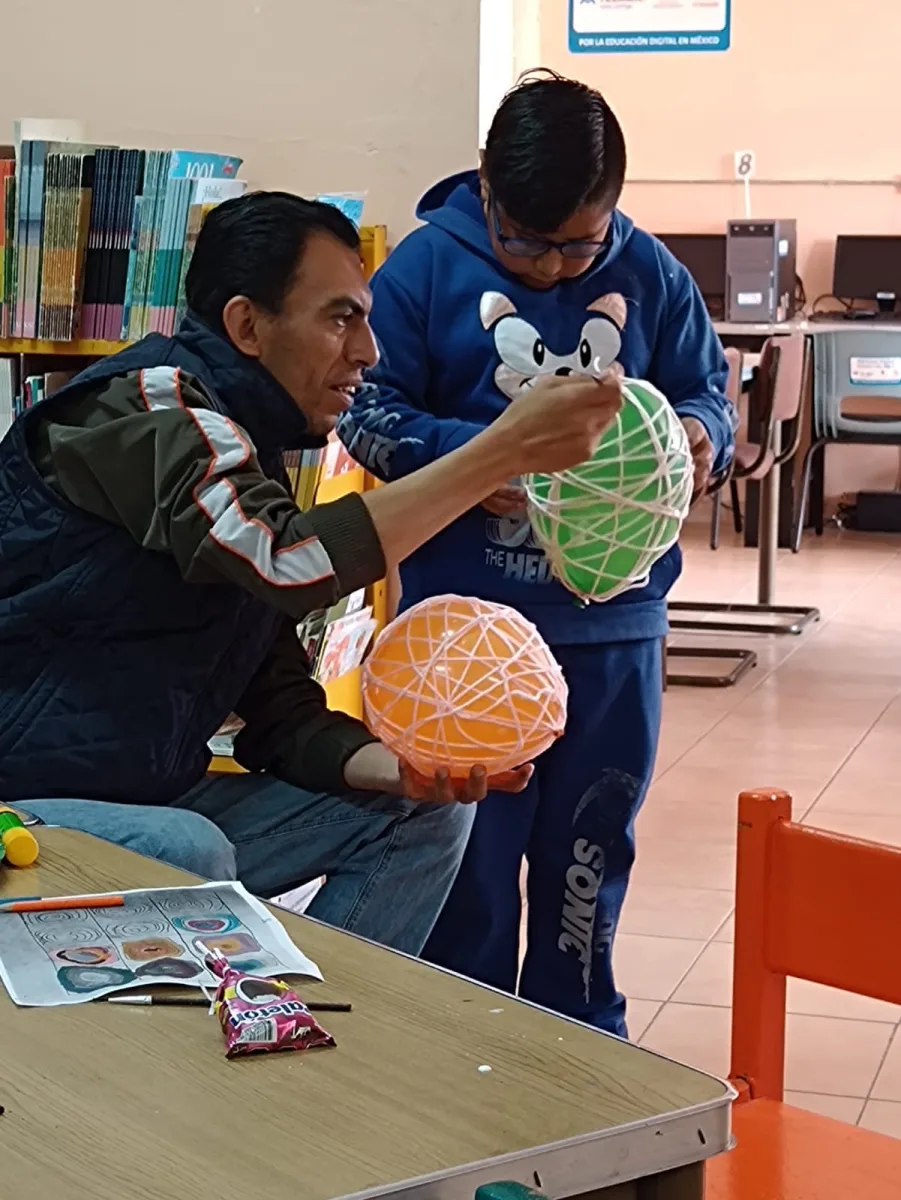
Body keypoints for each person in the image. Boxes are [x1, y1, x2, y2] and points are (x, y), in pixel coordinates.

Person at [0, 190, 621, 955]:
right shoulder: (146, 405)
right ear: (246, 326)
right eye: (339, 318)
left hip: (146, 800)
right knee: (189, 853)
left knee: (425, 815)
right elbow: (284, 560)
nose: (368, 350)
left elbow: (277, 704)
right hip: (18, 812)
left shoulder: (243, 448)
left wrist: (400, 771)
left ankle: (309, 1032)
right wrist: (498, 450)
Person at [338, 72, 735, 1029]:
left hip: (611, 628)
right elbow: (364, 409)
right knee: (465, 857)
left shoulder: (650, 275)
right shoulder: (424, 271)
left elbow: (709, 393)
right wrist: (475, 461)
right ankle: (457, 1049)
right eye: (525, 242)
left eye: (579, 245)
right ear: (484, 188)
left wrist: (692, 436)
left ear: (613, 209)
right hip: (462, 635)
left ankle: (577, 1045)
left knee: (588, 853)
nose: (554, 268)